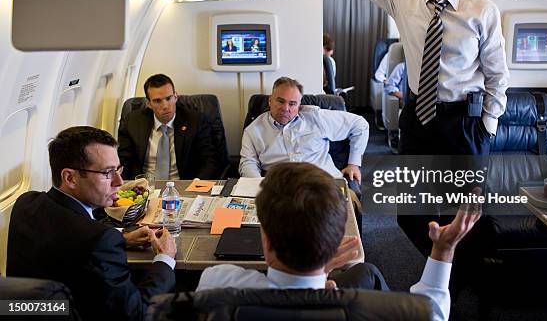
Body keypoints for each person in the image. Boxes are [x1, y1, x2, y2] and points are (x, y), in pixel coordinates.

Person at [315, 0, 509, 157]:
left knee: (463, 194)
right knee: (412, 191)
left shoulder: (483, 10)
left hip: (463, 121)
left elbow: (497, 74)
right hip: (417, 114)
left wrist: (487, 126)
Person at [197, 162, 481, 321]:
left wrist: (316, 275)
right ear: (335, 242)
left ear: (265, 239)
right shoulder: (383, 314)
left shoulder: (215, 282)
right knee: (367, 272)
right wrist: (443, 250)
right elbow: (433, 312)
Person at [6, 126, 176, 321]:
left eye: (118, 169)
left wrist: (123, 239)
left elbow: (65, 245)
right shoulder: (101, 240)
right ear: (70, 177)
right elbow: (136, 313)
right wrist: (165, 259)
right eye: (107, 173)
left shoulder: (26, 203)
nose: (119, 181)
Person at [239, 76, 368, 193]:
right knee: (228, 217)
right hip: (283, 191)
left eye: (292, 103)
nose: (285, 108)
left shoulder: (315, 117)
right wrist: (257, 189)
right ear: (270, 101)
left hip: (325, 186)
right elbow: (248, 162)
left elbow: (360, 125)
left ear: (299, 105)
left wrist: (354, 164)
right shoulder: (253, 130)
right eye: (280, 101)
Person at [118, 74, 222, 180]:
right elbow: (123, 160)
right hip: (144, 187)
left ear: (176, 97)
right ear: (149, 104)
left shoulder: (195, 121)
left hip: (182, 185)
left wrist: (197, 184)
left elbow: (209, 161)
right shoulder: (133, 121)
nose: (165, 106)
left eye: (168, 98)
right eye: (158, 101)